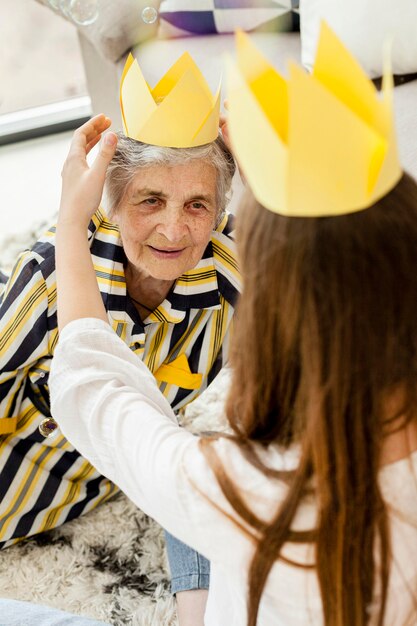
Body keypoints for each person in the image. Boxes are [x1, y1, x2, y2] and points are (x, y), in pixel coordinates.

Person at [49, 28, 417, 626]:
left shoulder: (233, 490)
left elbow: (95, 389)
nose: (177, 229)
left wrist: (71, 219)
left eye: (200, 206)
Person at [0, 120, 238, 623]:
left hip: (109, 473)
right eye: (149, 200)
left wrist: (263, 173)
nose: (174, 231)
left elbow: (317, 286)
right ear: (110, 201)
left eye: (197, 204)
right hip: (20, 470)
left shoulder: (225, 268)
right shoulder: (50, 275)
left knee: (219, 461)